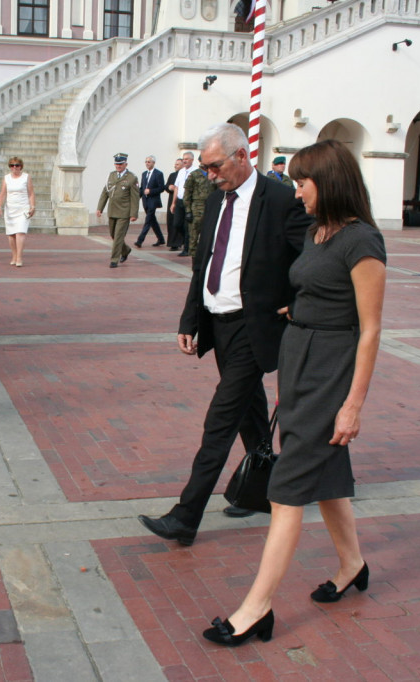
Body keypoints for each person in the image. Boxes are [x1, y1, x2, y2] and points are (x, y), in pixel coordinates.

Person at [201, 139, 386, 648]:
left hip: (331, 373)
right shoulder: (319, 233)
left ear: (328, 182)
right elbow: (311, 288)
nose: (295, 189)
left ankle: (255, 608)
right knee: (324, 477)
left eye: (302, 181)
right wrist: (295, 309)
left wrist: (353, 405)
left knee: (286, 490)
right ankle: (353, 564)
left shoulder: (362, 242)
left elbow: (369, 329)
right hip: (299, 362)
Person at [138, 122, 311, 545]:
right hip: (219, 323)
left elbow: (312, 259)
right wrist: (189, 319)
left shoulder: (281, 201)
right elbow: (203, 262)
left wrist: (299, 303)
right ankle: (260, 486)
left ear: (241, 156)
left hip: (257, 326)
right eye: (204, 168)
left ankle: (185, 515)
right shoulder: (216, 202)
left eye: (215, 167)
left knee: (219, 420)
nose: (209, 175)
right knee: (248, 409)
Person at [96, 152, 139, 268]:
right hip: (112, 210)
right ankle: (125, 250)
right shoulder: (111, 176)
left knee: (118, 236)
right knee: (113, 235)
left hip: (124, 212)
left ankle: (114, 259)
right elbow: (105, 193)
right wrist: (100, 208)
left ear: (126, 164)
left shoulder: (131, 178)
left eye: (120, 164)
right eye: (116, 164)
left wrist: (134, 213)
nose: (118, 166)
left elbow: (135, 198)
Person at [0, 156, 34, 267]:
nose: (14, 167)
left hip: (23, 208)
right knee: (11, 234)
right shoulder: (6, 178)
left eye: (17, 165)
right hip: (10, 209)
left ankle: (19, 257)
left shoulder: (26, 177)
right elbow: (2, 194)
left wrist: (32, 206)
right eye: (12, 165)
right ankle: (14, 255)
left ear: (21, 166)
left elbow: (31, 193)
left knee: (20, 232)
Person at [183, 159, 214, 260]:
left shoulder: (213, 174)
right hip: (196, 209)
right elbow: (187, 194)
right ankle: (194, 259)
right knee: (194, 236)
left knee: (209, 236)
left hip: (210, 208)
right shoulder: (194, 175)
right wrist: (188, 210)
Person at [134, 155, 165, 247]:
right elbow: (142, 187)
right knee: (152, 220)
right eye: (146, 161)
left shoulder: (158, 174)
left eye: (149, 161)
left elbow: (161, 188)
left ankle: (140, 240)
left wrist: (151, 191)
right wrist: (137, 196)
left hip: (153, 200)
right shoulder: (144, 174)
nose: (147, 163)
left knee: (148, 220)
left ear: (153, 163)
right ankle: (161, 239)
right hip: (145, 200)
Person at [170, 151, 197, 254]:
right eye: (184, 159)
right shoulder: (181, 172)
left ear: (192, 160)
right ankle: (186, 240)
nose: (185, 161)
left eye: (187, 159)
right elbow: (177, 187)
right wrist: (174, 202)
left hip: (189, 201)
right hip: (180, 201)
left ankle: (187, 248)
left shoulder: (195, 172)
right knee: (177, 223)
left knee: (187, 225)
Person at [162, 158, 182, 247]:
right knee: (170, 221)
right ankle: (171, 242)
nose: (175, 166)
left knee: (177, 222)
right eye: (175, 164)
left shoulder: (184, 175)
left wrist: (177, 188)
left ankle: (177, 242)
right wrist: (169, 187)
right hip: (171, 200)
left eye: (177, 164)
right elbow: (166, 186)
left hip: (180, 200)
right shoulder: (172, 175)